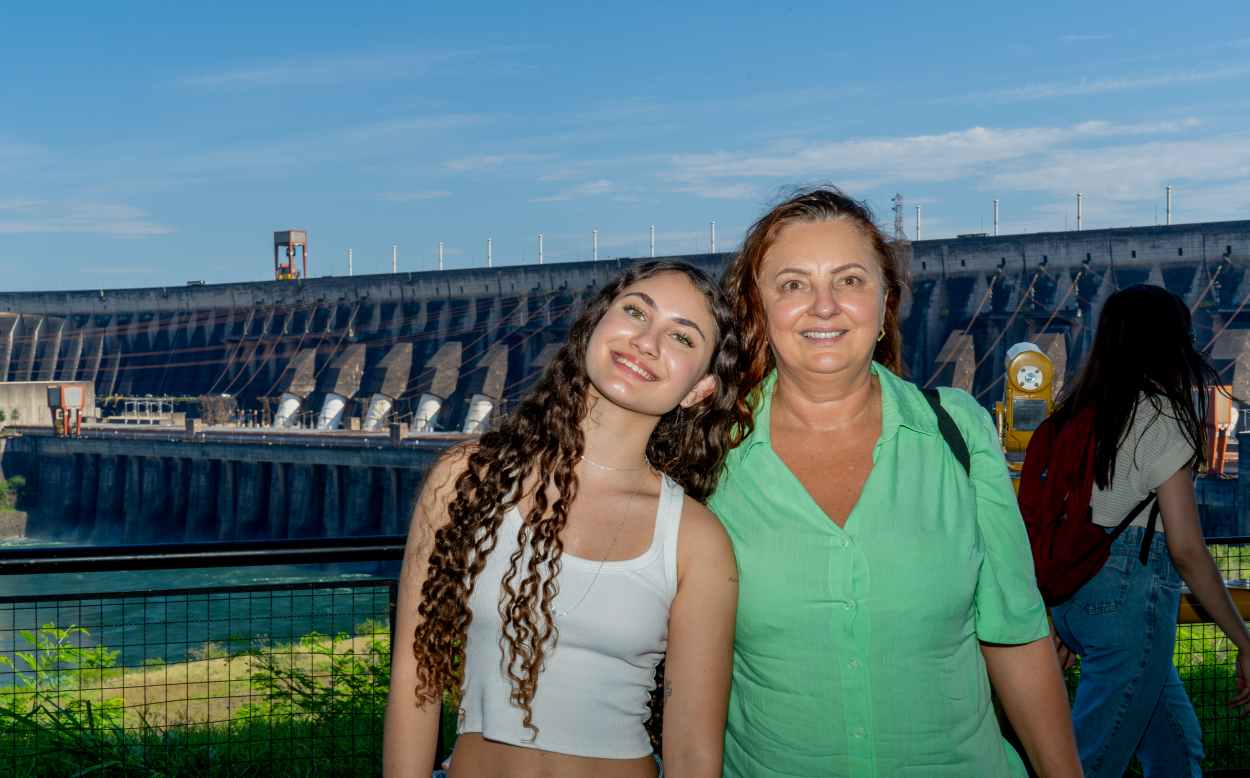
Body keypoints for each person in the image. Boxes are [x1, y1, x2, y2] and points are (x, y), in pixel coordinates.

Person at [711, 187, 1082, 777]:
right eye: (793, 284)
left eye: (850, 280)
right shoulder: (710, 453)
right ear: (758, 308)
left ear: (886, 301)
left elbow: (1015, 633)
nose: (824, 306)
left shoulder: (958, 431)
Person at [383, 260, 745, 778]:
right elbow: (416, 679)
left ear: (699, 390)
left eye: (682, 337)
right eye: (636, 312)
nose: (647, 341)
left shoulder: (695, 540)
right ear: (594, 324)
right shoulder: (467, 479)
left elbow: (692, 753)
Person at [1049, 284, 1250, 778]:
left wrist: (1060, 614)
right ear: (1169, 344)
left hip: (1074, 597)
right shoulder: (1162, 414)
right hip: (1127, 606)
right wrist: (1244, 640)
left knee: (1176, 748)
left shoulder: (1077, 410)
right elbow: (1186, 549)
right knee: (1090, 763)